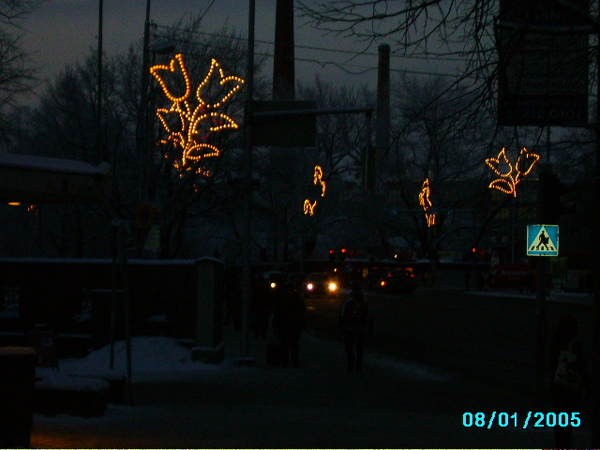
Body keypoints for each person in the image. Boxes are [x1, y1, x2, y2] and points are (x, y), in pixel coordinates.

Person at [549, 315, 590, 448]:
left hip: (558, 388)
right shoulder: (574, 344)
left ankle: (560, 445)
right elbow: (582, 367)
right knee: (567, 425)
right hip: (570, 390)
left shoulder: (555, 341)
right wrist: (588, 387)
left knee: (559, 421)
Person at [339, 281, 374, 372]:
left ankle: (351, 363)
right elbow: (369, 316)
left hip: (350, 328)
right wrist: (370, 329)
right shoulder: (364, 302)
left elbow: (342, 316)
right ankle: (358, 366)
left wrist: (342, 327)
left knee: (349, 347)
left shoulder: (348, 302)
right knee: (359, 348)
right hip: (360, 328)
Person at [271, 282, 306, 368]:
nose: (289, 291)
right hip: (285, 325)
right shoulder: (283, 299)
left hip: (293, 325)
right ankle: (285, 361)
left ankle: (293, 362)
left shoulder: (296, 300)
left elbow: (302, 312)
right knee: (285, 345)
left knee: (293, 345)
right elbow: (278, 312)